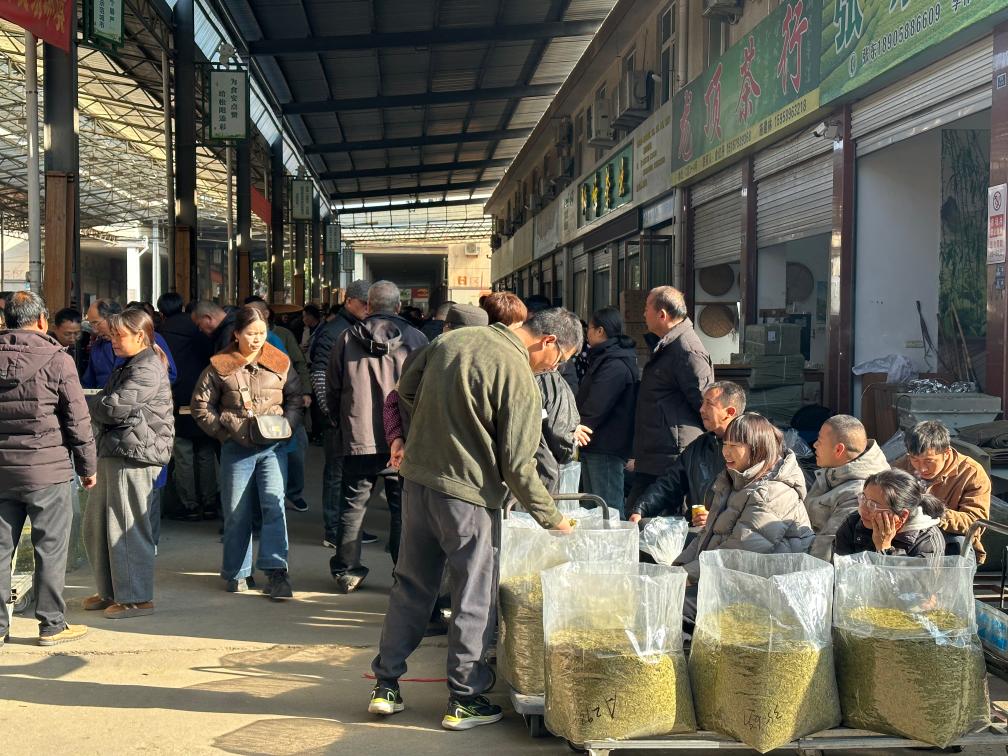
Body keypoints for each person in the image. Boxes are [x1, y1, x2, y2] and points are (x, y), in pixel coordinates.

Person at [368, 308, 579, 731]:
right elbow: (518, 465)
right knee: (473, 594)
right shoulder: (519, 375)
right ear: (548, 341)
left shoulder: (451, 341)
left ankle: (386, 685)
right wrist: (552, 518)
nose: (551, 369)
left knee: (411, 585)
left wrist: (430, 428)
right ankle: (464, 698)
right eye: (557, 361)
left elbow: (404, 390)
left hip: (418, 485)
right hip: (468, 496)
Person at [0, 292, 96, 647]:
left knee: (0, 552)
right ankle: (51, 625)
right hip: (47, 471)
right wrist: (87, 466)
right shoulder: (58, 359)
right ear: (42, 320)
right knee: (50, 549)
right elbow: (77, 419)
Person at [191, 305, 303, 599]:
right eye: (251, 333)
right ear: (236, 333)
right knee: (237, 512)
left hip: (273, 447)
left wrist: (287, 426)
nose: (256, 339)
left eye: (261, 333)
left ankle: (277, 572)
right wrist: (224, 433)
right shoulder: (219, 365)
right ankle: (237, 572)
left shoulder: (279, 361)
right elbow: (201, 406)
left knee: (274, 506)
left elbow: (295, 398)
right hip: (236, 448)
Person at [326, 281, 428, 594]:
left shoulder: (347, 338)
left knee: (352, 505)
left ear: (368, 306)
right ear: (398, 307)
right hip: (404, 440)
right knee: (403, 510)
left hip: (358, 435)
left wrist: (341, 423)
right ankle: (402, 572)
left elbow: (333, 387)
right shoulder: (417, 339)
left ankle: (347, 571)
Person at [83, 307, 174, 619]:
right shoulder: (130, 363)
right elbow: (109, 405)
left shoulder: (147, 367)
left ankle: (136, 598)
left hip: (135, 454)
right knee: (98, 526)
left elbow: (112, 408)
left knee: (126, 528)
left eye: (118, 336)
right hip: (116, 450)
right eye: (111, 335)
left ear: (140, 336)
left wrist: (89, 402)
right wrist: (99, 404)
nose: (113, 341)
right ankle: (111, 592)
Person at [674, 413, 813, 583]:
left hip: (767, 585)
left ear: (757, 448)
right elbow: (707, 534)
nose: (725, 452)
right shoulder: (733, 480)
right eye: (725, 444)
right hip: (728, 576)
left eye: (734, 445)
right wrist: (677, 569)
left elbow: (739, 552)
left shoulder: (773, 492)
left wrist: (684, 577)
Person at [628, 286, 714, 509]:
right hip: (656, 453)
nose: (643, 314)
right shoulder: (668, 345)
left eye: (646, 308)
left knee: (651, 520)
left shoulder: (687, 350)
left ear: (662, 314)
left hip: (671, 457)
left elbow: (705, 405)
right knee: (637, 515)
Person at [628, 381, 747, 525]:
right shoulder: (698, 447)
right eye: (702, 403)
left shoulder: (751, 447)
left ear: (730, 412)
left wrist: (719, 518)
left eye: (709, 404)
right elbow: (670, 483)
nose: (701, 409)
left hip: (735, 533)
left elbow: (756, 503)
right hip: (697, 531)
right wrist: (641, 510)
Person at [311, 280, 370, 548]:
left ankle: (348, 527)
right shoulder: (334, 330)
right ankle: (333, 530)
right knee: (336, 474)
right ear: (349, 301)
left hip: (351, 412)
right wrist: (330, 412)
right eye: (363, 303)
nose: (368, 308)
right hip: (337, 415)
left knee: (351, 473)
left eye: (371, 304)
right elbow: (319, 373)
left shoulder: (355, 327)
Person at [157, 292, 217, 521]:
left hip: (177, 397)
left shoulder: (161, 336)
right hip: (204, 396)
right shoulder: (200, 331)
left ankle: (189, 505)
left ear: (161, 312)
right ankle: (210, 503)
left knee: (183, 452)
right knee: (205, 451)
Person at [894, 420, 991, 562]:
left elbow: (976, 523)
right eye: (915, 460)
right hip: (908, 534)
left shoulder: (972, 473)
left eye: (929, 461)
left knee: (957, 544)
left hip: (950, 539)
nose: (921, 468)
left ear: (946, 453)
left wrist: (935, 513)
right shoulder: (901, 466)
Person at [575, 307, 640, 516]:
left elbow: (597, 403)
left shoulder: (615, 363)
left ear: (600, 331)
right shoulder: (607, 357)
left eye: (589, 328)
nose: (587, 334)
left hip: (606, 445)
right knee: (593, 510)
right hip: (595, 443)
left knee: (607, 510)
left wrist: (578, 427)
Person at [806, 415, 890, 560]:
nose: (815, 445)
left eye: (819, 441)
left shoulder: (861, 492)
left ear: (838, 450)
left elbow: (827, 549)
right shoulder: (835, 469)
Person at [833, 468, 946, 562]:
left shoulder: (927, 541)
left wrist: (884, 548)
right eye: (863, 498)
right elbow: (840, 569)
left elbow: (916, 581)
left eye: (873, 505)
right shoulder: (854, 522)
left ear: (903, 515)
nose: (863, 509)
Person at [83, 299, 178, 389]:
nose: (94, 330)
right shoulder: (97, 347)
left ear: (112, 317)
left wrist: (142, 391)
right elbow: (88, 382)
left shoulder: (148, 338)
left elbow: (170, 375)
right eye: (91, 324)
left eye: (96, 323)